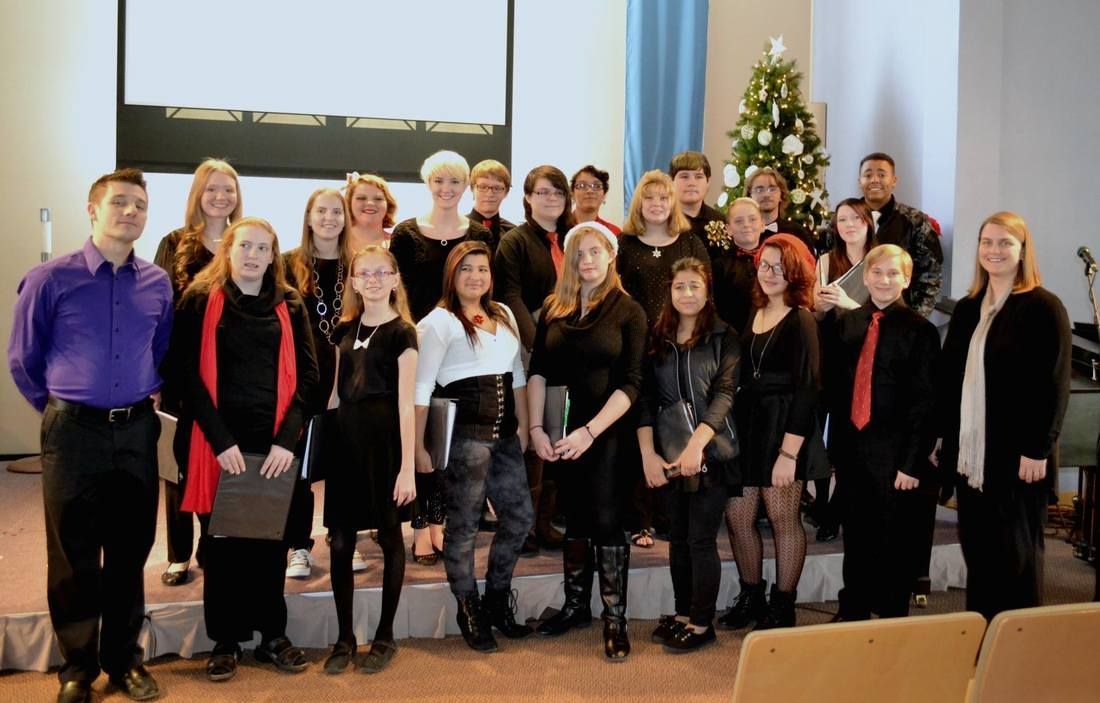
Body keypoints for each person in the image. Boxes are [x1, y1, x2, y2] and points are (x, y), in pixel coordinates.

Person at [9, 168, 173, 703]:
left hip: (135, 432)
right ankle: (77, 667)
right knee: (72, 551)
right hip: (72, 432)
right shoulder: (50, 279)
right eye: (120, 202)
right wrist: (61, 410)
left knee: (130, 550)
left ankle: (123, 661)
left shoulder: (156, 282)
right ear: (92, 209)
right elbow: (23, 361)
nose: (131, 212)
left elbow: (162, 349)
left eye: (140, 206)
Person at [173, 217, 318, 681]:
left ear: (274, 255)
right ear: (228, 251)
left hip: (273, 445)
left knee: (268, 543)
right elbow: (185, 375)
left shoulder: (291, 303)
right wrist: (220, 441)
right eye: (245, 246)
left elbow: (310, 380)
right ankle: (226, 639)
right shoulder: (200, 299)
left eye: (263, 247)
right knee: (220, 545)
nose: (253, 255)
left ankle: (272, 635)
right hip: (216, 444)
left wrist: (286, 440)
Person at [934, 211, 1071, 619]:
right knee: (979, 551)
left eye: (1005, 243)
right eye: (987, 242)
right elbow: (950, 380)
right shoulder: (968, 309)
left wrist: (1038, 448)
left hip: (1019, 455)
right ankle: (985, 637)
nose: (994, 251)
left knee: (1017, 555)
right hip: (973, 457)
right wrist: (943, 437)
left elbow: (1054, 386)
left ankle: (1020, 649)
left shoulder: (1045, 308)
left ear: (1022, 250)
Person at [528, 222, 647, 661]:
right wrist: (538, 429)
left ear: (610, 255)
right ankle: (577, 607)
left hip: (607, 432)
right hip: (560, 433)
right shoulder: (554, 307)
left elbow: (633, 383)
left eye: (595, 252)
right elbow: (538, 370)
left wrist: (590, 431)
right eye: (579, 253)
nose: (587, 261)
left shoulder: (628, 310)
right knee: (574, 518)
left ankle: (615, 620)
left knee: (607, 521)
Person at [414, 241, 533, 652]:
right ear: (452, 274)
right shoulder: (438, 322)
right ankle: (469, 608)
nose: (475, 276)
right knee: (462, 529)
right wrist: (417, 447)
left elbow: (516, 372)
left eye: (482, 269)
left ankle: (497, 601)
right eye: (466, 269)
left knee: (519, 518)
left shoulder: (502, 314)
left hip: (505, 437)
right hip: (463, 438)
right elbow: (421, 387)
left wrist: (526, 428)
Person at [822, 244, 940, 620]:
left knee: (893, 537)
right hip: (853, 447)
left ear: (906, 279)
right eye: (877, 273)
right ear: (866, 277)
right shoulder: (849, 322)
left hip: (895, 453)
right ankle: (853, 605)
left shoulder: (920, 331)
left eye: (893, 274)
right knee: (856, 533)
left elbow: (924, 402)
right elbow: (839, 391)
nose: (884, 280)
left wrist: (911, 463)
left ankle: (890, 610)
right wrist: (835, 450)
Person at [391, 150, 493, 562]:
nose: (446, 190)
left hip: (462, 346)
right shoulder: (406, 233)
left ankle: (440, 520)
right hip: (416, 346)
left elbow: (486, 288)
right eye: (439, 182)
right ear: (427, 184)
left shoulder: (480, 236)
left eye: (454, 182)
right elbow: (397, 293)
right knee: (417, 436)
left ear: (465, 185)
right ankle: (419, 525)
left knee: (451, 437)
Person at [718, 234, 823, 631]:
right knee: (738, 515)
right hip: (747, 425)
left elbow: (810, 387)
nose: (770, 273)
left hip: (784, 429)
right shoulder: (755, 311)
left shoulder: (802, 318)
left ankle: (783, 604)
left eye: (780, 267)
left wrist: (789, 453)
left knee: (782, 517)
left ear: (795, 273)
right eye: (765, 264)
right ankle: (751, 594)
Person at [323, 245, 417, 673]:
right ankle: (344, 637)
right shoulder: (343, 332)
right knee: (340, 542)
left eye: (383, 272)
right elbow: (331, 398)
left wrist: (407, 468)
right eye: (366, 273)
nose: (375, 279)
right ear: (355, 282)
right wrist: (319, 453)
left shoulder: (403, 333)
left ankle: (385, 634)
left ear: (396, 280)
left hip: (385, 448)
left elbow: (405, 405)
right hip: (345, 445)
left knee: (389, 535)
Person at [638, 257, 740, 653]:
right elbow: (645, 399)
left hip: (712, 452)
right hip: (669, 453)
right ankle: (683, 614)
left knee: (700, 539)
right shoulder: (657, 336)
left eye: (694, 286)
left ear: (707, 289)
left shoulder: (723, 335)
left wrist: (697, 446)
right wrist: (648, 454)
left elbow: (725, 395)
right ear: (670, 290)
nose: (687, 294)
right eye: (680, 286)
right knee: (677, 538)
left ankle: (701, 623)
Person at [154, 157, 242, 588]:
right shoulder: (174, 243)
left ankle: (212, 541)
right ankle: (177, 554)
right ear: (198, 195)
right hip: (180, 372)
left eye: (228, 189)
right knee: (178, 464)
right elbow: (158, 313)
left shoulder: (244, 243)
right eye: (212, 189)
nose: (221, 196)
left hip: (228, 376)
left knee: (222, 459)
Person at [618, 169, 711, 548]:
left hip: (679, 347)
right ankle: (640, 517)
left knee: (674, 424)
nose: (656, 205)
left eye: (663, 198)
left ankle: (670, 514)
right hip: (636, 346)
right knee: (638, 426)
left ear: (673, 202)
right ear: (639, 202)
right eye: (649, 198)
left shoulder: (688, 242)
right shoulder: (625, 244)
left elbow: (704, 289)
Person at [283, 187, 367, 578]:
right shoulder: (286, 264)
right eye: (322, 211)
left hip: (349, 379)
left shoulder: (359, 265)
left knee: (344, 464)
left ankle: (342, 537)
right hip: (301, 379)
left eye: (337, 211)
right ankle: (298, 545)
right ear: (309, 216)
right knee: (296, 465)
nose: (330, 218)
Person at [493, 165, 574, 556]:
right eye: (542, 193)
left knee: (557, 436)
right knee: (529, 437)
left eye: (557, 193)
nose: (550, 200)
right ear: (527, 197)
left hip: (573, 349)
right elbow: (509, 296)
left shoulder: (574, 239)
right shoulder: (515, 241)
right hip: (531, 348)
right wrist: (538, 343)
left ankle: (545, 522)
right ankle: (523, 526)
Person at [855, 153, 943, 316]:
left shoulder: (916, 221)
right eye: (868, 175)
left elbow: (931, 276)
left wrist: (915, 320)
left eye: (881, 175)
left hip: (901, 317)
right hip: (851, 317)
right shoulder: (844, 220)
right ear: (859, 181)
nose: (874, 180)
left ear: (894, 181)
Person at [710, 198, 765, 340]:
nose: (746, 225)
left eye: (752, 219)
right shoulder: (720, 266)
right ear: (728, 229)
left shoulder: (775, 261)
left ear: (762, 224)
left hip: (770, 337)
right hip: (734, 338)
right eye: (739, 221)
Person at [814, 198, 876, 319]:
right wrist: (822, 304)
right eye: (842, 220)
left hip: (872, 332)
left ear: (868, 221)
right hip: (835, 332)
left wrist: (847, 303)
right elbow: (818, 311)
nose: (849, 224)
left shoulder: (880, 258)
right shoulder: (826, 260)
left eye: (856, 217)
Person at [744, 167, 815, 251]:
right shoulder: (742, 233)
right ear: (750, 196)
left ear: (781, 195)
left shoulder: (797, 232)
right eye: (759, 190)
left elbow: (809, 263)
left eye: (772, 189)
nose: (766, 194)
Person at [668, 151, 724, 251]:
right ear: (671, 181)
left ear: (708, 182)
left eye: (698, 177)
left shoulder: (720, 221)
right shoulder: (663, 221)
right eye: (684, 177)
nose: (691, 183)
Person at [345, 172, 398, 250]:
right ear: (348, 203)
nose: (370, 203)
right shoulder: (334, 242)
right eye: (361, 198)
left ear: (388, 205)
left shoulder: (399, 244)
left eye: (378, 199)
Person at [469, 159, 516, 241]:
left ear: (506, 192)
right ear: (472, 189)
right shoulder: (456, 230)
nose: (490, 194)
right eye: (483, 187)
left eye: (497, 188)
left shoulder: (514, 235)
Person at [571, 164, 621, 235]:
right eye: (582, 185)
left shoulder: (613, 233)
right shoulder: (557, 227)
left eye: (597, 186)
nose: (590, 191)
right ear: (572, 194)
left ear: (604, 195)